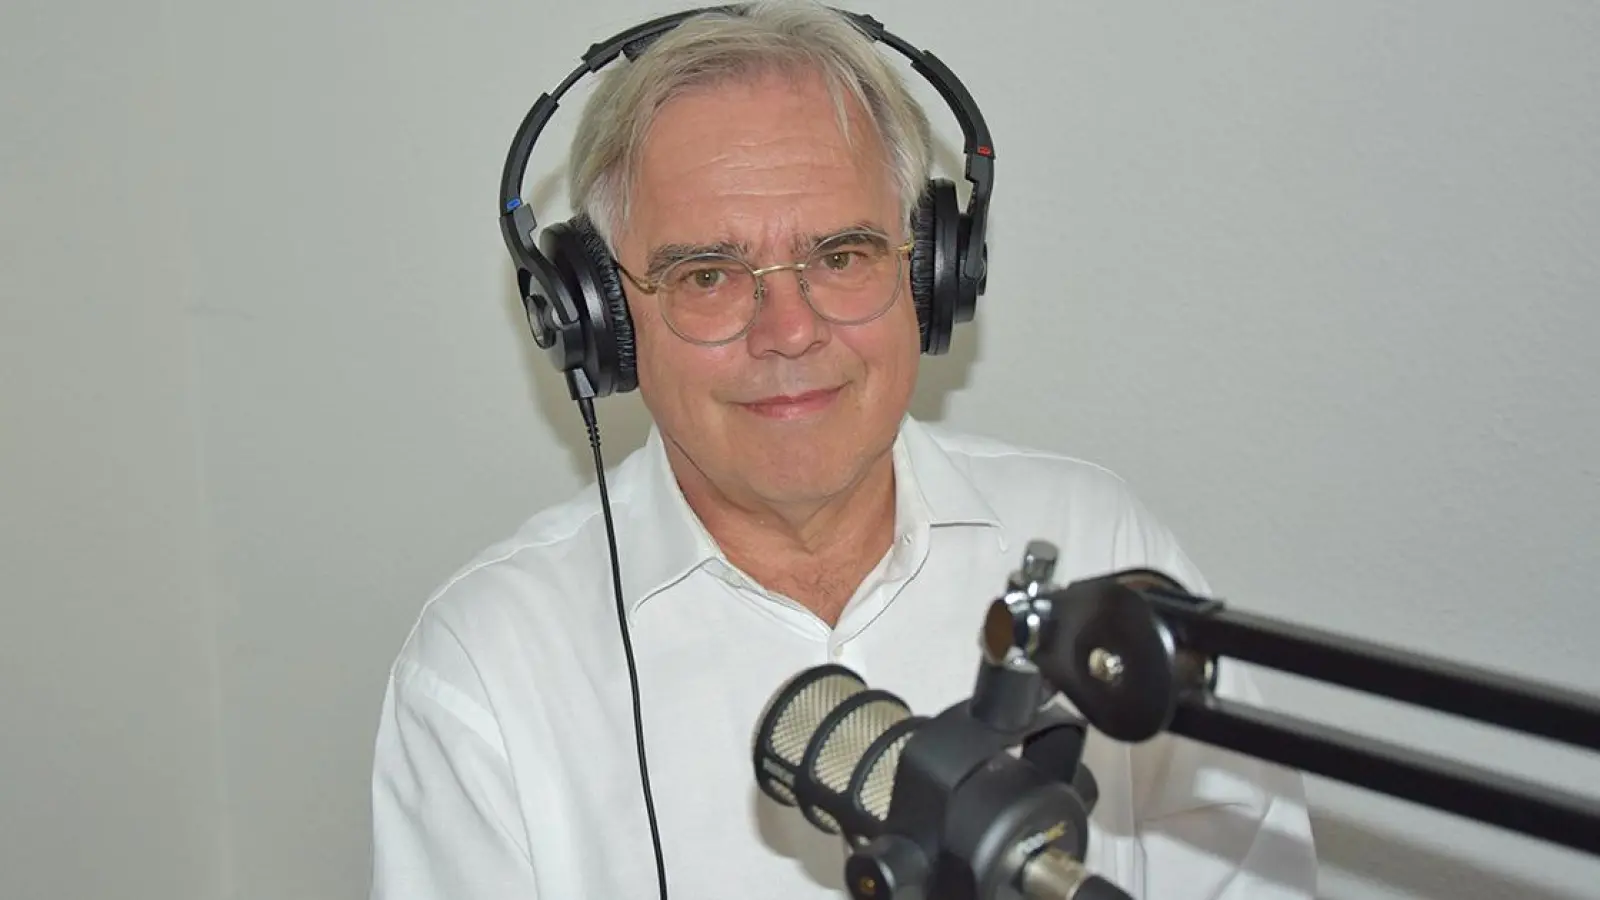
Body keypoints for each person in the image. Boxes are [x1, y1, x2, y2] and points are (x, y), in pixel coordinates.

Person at [368, 2, 1318, 898]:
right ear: (602, 323)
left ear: (933, 275)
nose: (788, 330)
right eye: (707, 273)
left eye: (843, 255)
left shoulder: (1098, 550)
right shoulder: (488, 669)